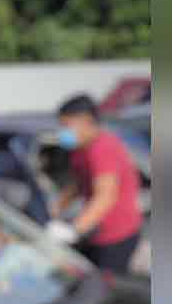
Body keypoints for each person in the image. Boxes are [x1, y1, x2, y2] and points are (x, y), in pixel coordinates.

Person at [47, 94, 143, 274]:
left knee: (104, 290)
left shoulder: (102, 149)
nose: (63, 131)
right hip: (96, 231)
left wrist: (74, 230)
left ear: (87, 121)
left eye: (67, 126)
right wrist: (59, 204)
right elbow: (79, 182)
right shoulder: (81, 148)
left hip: (116, 236)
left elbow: (105, 196)